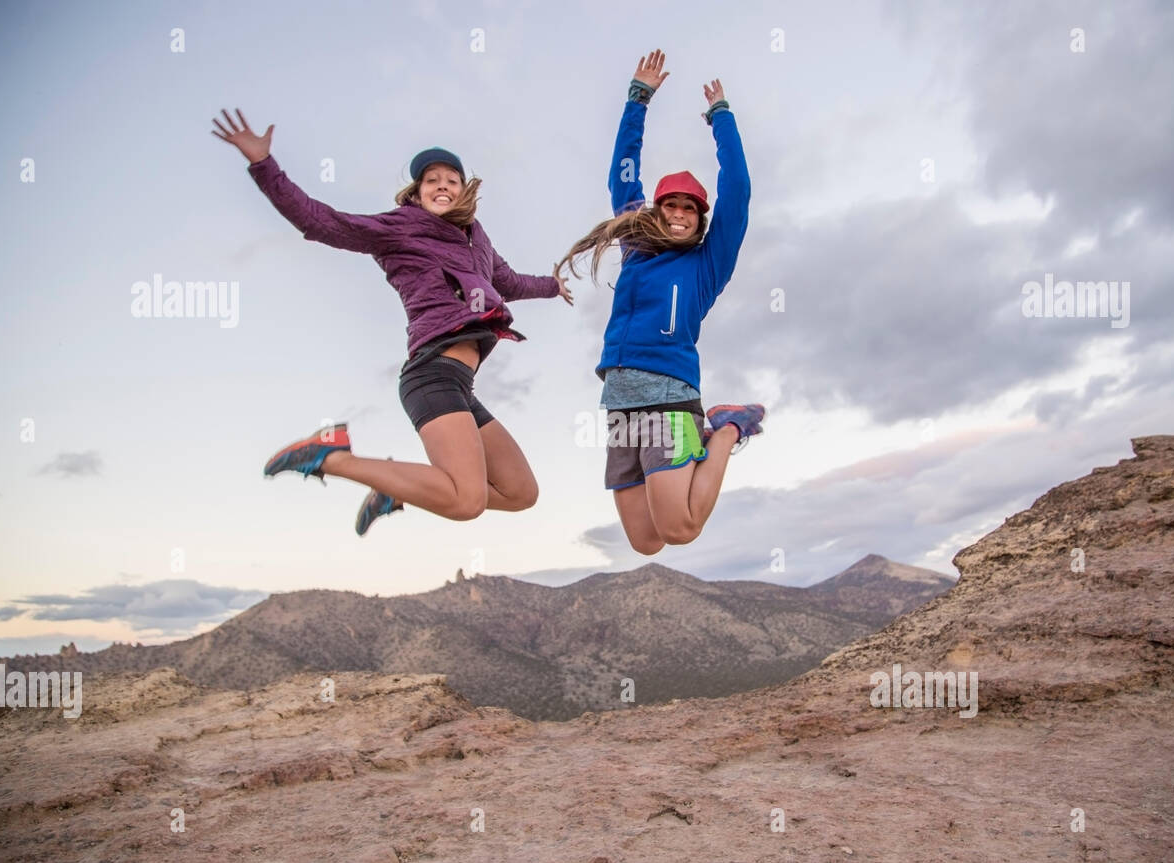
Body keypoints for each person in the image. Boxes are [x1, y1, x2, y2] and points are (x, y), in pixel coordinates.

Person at [211, 109, 572, 535]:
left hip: (460, 385)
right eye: (431, 180)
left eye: (451, 180)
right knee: (466, 501)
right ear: (417, 193)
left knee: (520, 493)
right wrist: (264, 165)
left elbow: (508, 282)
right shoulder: (400, 228)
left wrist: (553, 286)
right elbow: (320, 221)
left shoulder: (477, 240)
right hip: (431, 373)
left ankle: (395, 489)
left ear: (463, 192)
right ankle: (329, 456)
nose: (442, 185)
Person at [557, 51, 764, 555]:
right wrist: (637, 99)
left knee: (681, 529)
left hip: (671, 403)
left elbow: (737, 189)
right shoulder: (637, 247)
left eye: (689, 208)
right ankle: (719, 431)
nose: (678, 214)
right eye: (669, 204)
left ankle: (728, 427)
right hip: (620, 406)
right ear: (656, 210)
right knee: (647, 542)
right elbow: (622, 175)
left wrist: (722, 118)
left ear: (700, 219)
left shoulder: (707, 265)